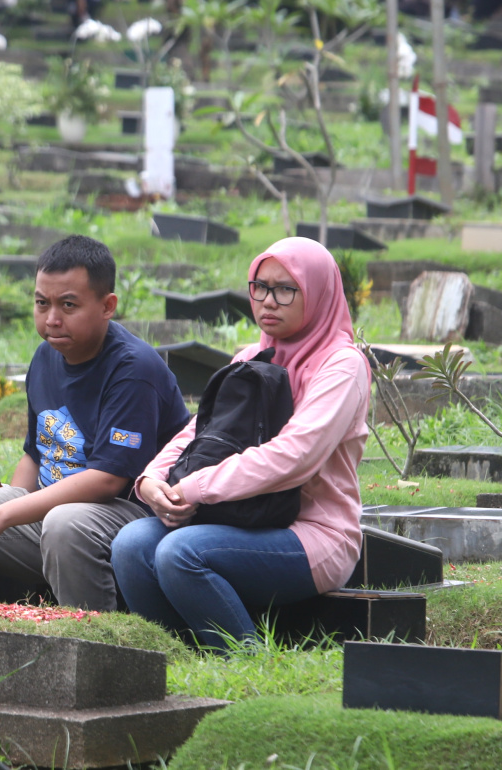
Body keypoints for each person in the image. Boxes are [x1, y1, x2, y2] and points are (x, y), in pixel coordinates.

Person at [110, 236, 372, 651]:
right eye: (260, 286)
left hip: (311, 534)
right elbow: (199, 433)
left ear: (318, 293)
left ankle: (244, 661)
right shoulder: (251, 357)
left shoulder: (342, 365)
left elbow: (296, 456)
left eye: (286, 289)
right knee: (130, 545)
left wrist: (196, 487)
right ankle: (178, 661)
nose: (268, 301)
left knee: (180, 552)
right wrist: (152, 479)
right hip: (239, 516)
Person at [0, 234, 190, 611]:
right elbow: (37, 452)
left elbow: (107, 480)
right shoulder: (46, 356)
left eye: (68, 305)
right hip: (57, 508)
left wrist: (2, 515)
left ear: (107, 306)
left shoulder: (134, 370)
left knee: (65, 524)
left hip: (129, 515)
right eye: (42, 303)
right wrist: (5, 500)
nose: (52, 319)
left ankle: (89, 637)